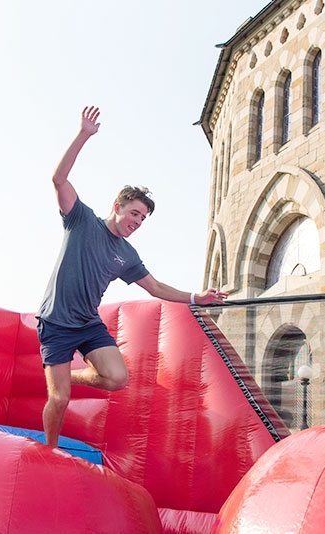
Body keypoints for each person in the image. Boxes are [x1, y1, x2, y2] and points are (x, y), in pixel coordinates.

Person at [37, 105, 227, 447]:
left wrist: (198, 297)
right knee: (60, 399)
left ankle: (71, 375)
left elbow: (155, 287)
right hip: (56, 322)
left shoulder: (127, 254)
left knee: (116, 378)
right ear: (117, 207)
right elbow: (59, 180)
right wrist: (84, 134)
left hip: (87, 323)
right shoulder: (82, 221)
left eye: (142, 219)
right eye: (134, 213)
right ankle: (49, 449)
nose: (137, 222)